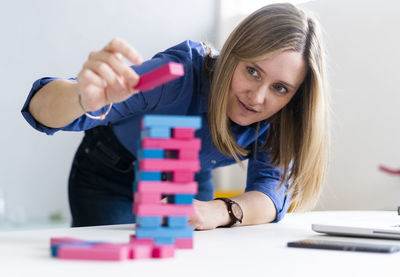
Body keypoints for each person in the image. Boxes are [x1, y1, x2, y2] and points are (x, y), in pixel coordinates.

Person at [22, 3, 329, 230]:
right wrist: (82, 97)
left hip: (189, 183)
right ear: (232, 55)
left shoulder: (283, 117)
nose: (258, 98)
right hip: (111, 174)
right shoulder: (179, 73)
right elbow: (40, 109)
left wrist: (219, 211)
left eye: (280, 88)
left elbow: (270, 195)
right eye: (252, 71)